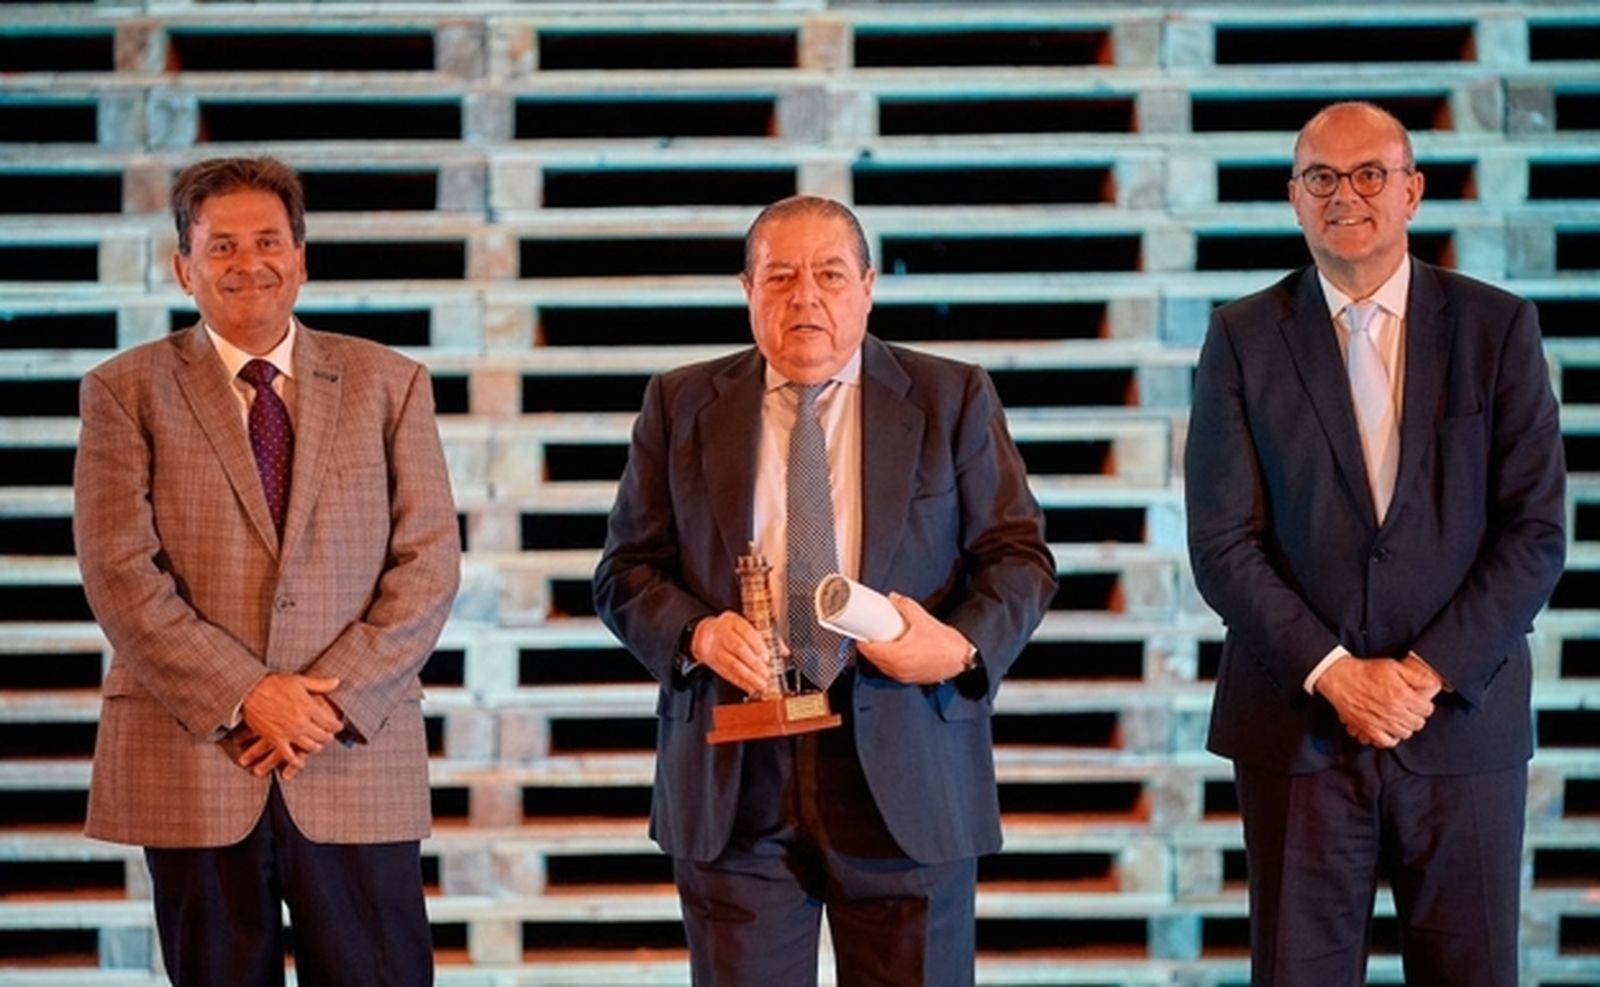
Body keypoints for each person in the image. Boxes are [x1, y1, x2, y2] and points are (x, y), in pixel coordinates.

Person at [593, 195, 1056, 985]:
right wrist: (698, 634)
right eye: (780, 277)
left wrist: (958, 646)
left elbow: (1019, 557)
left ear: (867, 287)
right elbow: (625, 571)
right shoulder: (680, 404)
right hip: (737, 776)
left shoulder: (951, 397)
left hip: (908, 763)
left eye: (830, 275)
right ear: (748, 290)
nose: (804, 297)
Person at [1185, 101, 1567, 986]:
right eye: (1321, 177)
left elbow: (1536, 530)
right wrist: (1336, 673)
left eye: (1368, 175)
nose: (1344, 195)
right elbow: (1222, 542)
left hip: (1461, 723)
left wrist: (1423, 674)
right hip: (1297, 729)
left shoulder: (1496, 328)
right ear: (1294, 197)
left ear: (1411, 192)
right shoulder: (1241, 337)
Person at [73, 156, 460, 987]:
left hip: (351, 749)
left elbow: (428, 561)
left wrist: (327, 700)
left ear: (301, 258)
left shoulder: (390, 384)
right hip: (198, 757)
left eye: (268, 241)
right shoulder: (124, 392)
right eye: (221, 246)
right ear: (184, 267)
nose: (248, 262)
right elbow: (120, 571)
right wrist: (247, 692)